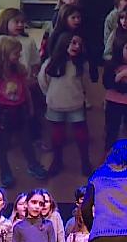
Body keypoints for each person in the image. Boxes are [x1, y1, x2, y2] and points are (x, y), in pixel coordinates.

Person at [0, 36, 48, 188]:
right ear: (4, 54)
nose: (19, 56)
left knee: (26, 141)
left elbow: (25, 90)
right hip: (2, 113)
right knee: (2, 146)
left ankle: (33, 165)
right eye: (16, 53)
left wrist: (31, 106)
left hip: (20, 111)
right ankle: (5, 172)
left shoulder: (18, 70)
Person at [38, 31, 92, 176]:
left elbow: (85, 84)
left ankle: (85, 162)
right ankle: (57, 161)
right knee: (57, 135)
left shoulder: (81, 65)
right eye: (73, 42)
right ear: (64, 43)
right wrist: (50, 96)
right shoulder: (50, 63)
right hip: (56, 105)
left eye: (79, 44)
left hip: (75, 105)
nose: (77, 46)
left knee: (81, 134)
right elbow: (43, 82)